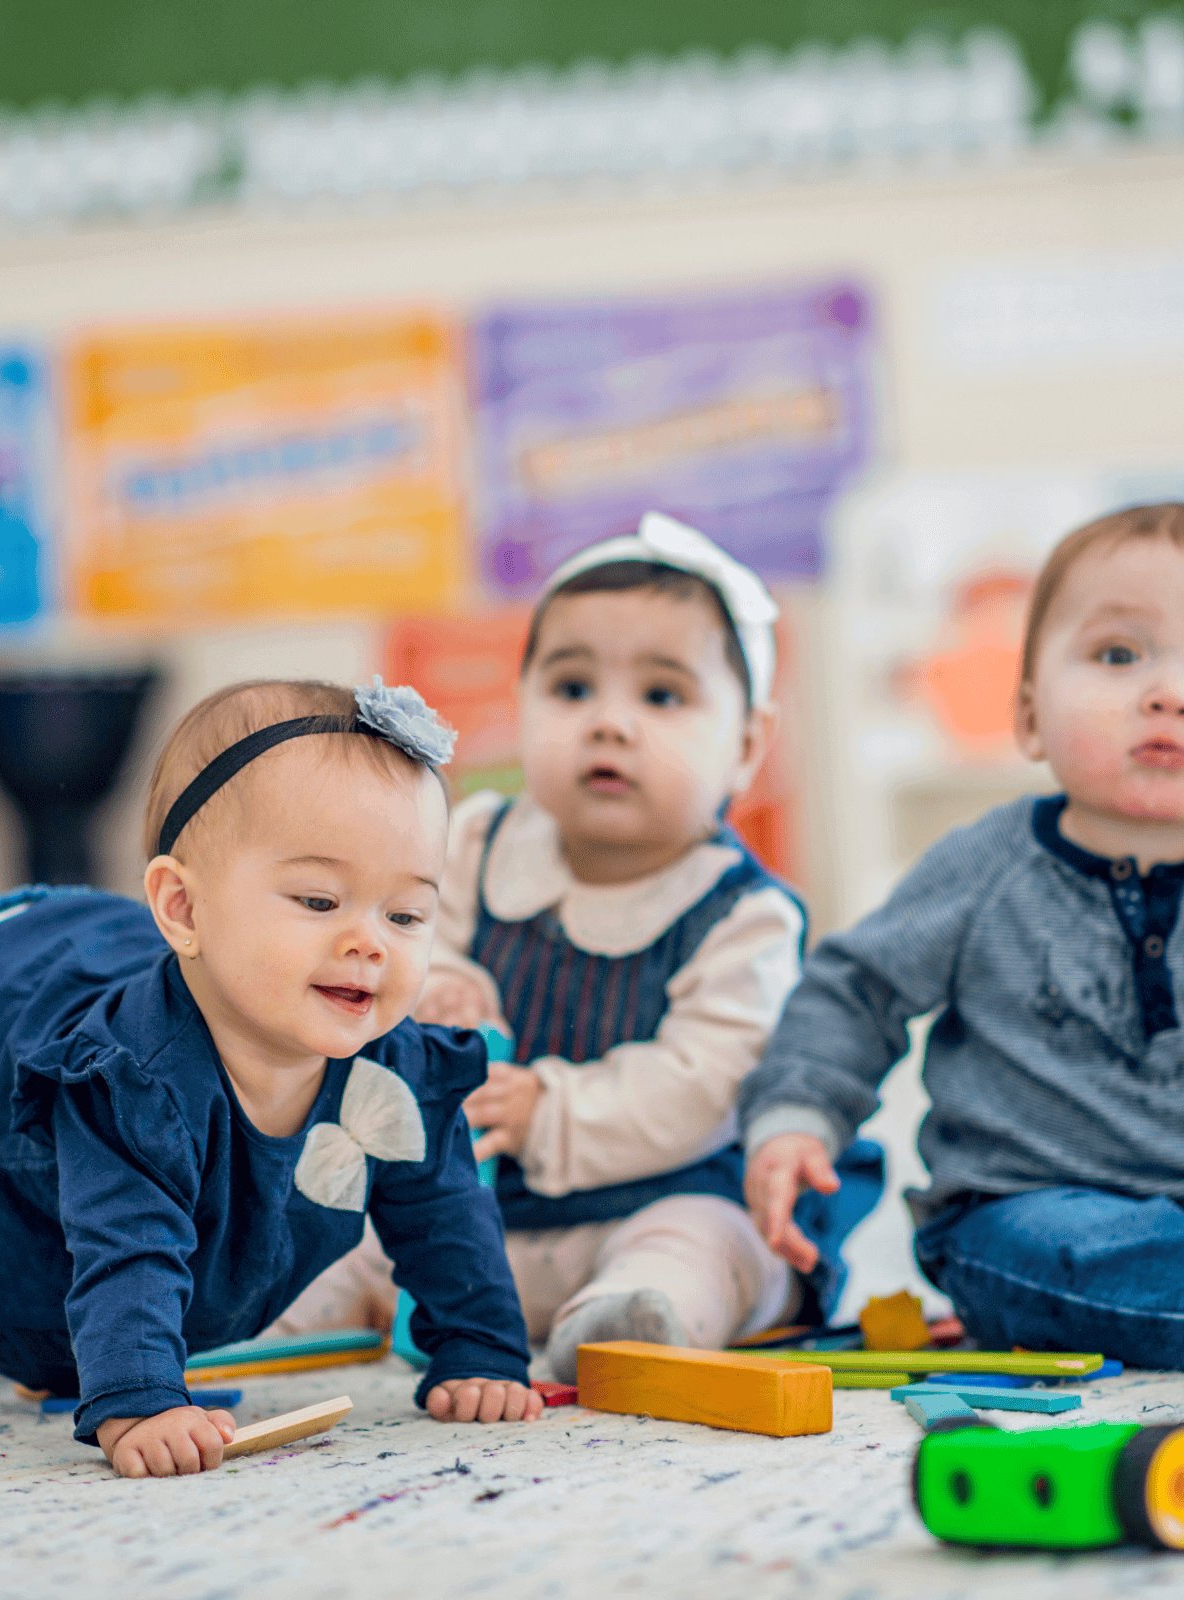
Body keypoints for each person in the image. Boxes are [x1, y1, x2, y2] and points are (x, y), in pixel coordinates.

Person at [742, 503, 1184, 1373]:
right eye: (1119, 655)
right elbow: (855, 989)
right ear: (1031, 717)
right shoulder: (986, 865)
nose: (1170, 692)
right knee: (1042, 1251)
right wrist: (797, 1116)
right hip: (1033, 1208)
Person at [0, 679, 539, 1479]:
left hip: (91, 946)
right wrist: (141, 1398)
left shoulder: (396, 1064)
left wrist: (481, 1348)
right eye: (319, 899)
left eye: (407, 915)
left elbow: (445, 1213)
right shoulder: (130, 1076)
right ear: (183, 907)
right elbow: (128, 1244)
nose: (370, 943)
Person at [280, 514, 882, 1381]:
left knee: (710, 1244)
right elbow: (393, 941)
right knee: (342, 1225)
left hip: (652, 1199)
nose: (610, 724)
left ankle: (634, 1319)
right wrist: (434, 984)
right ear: (521, 707)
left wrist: (547, 1111)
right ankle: (251, 1315)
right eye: (571, 689)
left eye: (662, 697)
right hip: (463, 1208)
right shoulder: (478, 843)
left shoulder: (744, 915)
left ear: (747, 746)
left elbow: (702, 1083)